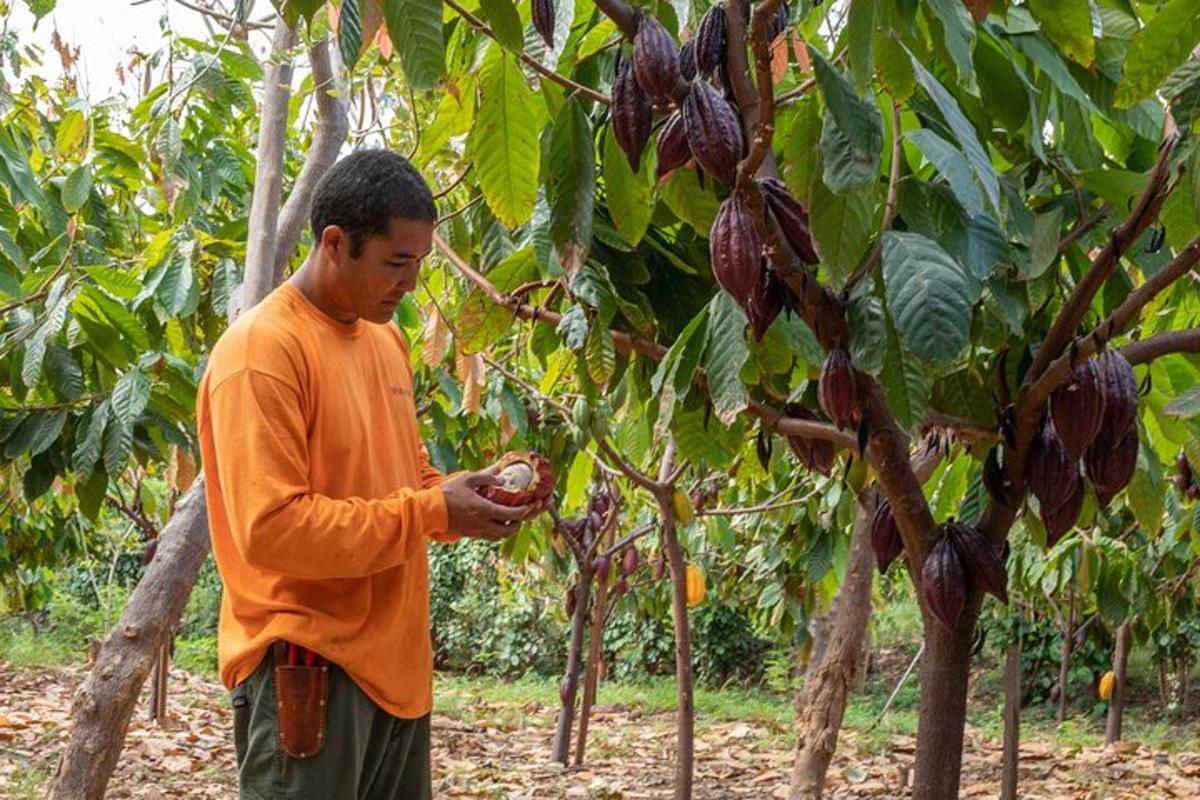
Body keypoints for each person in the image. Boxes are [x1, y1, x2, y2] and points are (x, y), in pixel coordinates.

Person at [196, 148, 546, 799]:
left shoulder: (385, 339)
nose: (410, 283)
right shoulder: (263, 351)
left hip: (397, 671)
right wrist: (434, 510)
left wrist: (470, 497)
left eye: (419, 263)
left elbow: (403, 480)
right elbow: (272, 531)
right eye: (395, 262)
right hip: (310, 670)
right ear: (334, 242)